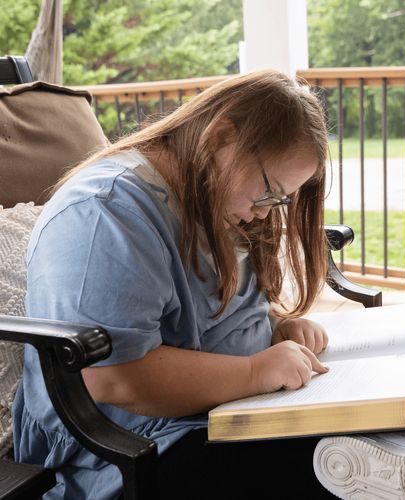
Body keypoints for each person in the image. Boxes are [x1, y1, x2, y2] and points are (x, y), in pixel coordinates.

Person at [13, 69, 336, 499]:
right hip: (135, 448)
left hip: (223, 414)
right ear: (221, 137)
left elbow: (209, 303)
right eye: (268, 192)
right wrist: (256, 370)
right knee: (327, 468)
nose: (264, 212)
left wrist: (275, 324)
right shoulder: (103, 214)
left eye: (279, 201)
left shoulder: (214, 198)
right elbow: (114, 379)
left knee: (356, 443)